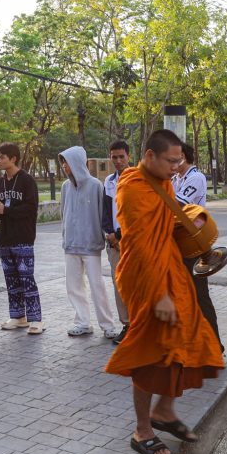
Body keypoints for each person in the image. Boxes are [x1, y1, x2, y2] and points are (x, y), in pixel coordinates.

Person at [106, 129, 224, 454]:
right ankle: (142, 430)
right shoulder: (131, 189)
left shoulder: (163, 182)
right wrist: (159, 295)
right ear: (150, 156)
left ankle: (165, 411)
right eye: (171, 161)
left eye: (179, 161)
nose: (176, 167)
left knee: (189, 337)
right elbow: (143, 246)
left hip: (171, 268)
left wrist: (190, 226)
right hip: (146, 279)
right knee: (150, 352)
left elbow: (163, 223)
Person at [59, 145, 117, 339]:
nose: (64, 166)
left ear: (76, 162)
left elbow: (102, 213)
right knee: (73, 287)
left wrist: (104, 236)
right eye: (63, 163)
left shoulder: (95, 185)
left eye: (67, 162)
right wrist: (65, 236)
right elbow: (63, 213)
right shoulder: (65, 187)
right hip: (71, 245)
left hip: (91, 244)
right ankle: (82, 322)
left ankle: (108, 325)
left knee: (96, 286)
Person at [173, 143, 223, 352]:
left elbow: (176, 205)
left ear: (183, 157)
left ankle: (215, 345)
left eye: (173, 157)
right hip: (179, 244)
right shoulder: (175, 179)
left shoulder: (196, 178)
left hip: (193, 244)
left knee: (200, 295)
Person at [0, 143, 44, 334]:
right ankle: (17, 316)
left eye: (2, 157)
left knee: (26, 279)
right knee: (11, 280)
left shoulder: (27, 180)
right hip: (5, 238)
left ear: (13, 158)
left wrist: (6, 210)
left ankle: (36, 319)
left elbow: (30, 208)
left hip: (23, 237)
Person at [102, 141, 131, 344]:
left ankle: (141, 326)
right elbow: (105, 211)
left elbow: (138, 212)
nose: (118, 160)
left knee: (136, 286)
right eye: (114, 157)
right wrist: (110, 234)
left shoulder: (138, 179)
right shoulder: (109, 181)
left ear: (129, 156)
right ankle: (127, 324)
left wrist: (120, 234)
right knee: (119, 285)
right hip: (113, 245)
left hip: (132, 242)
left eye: (122, 156)